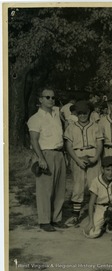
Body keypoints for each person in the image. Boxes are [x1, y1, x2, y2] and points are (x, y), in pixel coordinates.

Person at [27, 86, 67, 232]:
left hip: (59, 153)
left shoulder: (56, 115)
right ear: (40, 99)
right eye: (47, 97)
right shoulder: (35, 119)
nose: (51, 100)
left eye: (53, 97)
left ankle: (56, 218)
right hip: (46, 154)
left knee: (59, 188)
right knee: (45, 189)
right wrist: (40, 158)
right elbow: (34, 140)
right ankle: (44, 221)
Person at [64, 100, 104, 226]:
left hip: (92, 155)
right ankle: (76, 215)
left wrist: (96, 157)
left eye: (85, 113)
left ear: (89, 113)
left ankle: (98, 212)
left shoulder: (95, 126)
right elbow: (69, 146)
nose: (82, 116)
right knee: (78, 185)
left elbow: (99, 143)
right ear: (76, 114)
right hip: (78, 156)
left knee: (95, 183)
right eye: (80, 113)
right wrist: (77, 160)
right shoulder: (71, 127)